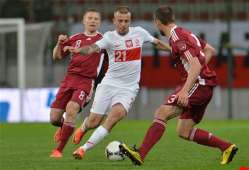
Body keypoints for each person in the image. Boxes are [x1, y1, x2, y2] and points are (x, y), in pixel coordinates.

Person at [120, 5, 238, 166]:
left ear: (157, 22)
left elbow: (195, 65)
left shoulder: (178, 37)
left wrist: (185, 90)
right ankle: (227, 147)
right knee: (184, 131)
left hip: (198, 84)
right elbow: (210, 50)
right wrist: (199, 73)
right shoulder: (185, 33)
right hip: (204, 85)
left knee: (161, 113)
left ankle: (140, 154)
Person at [64, 6, 170, 159]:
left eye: (126, 21)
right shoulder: (109, 37)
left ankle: (83, 149)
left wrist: (173, 50)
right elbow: (93, 48)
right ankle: (84, 127)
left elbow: (156, 43)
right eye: (120, 21)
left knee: (114, 116)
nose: (123, 24)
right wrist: (79, 50)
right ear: (114, 21)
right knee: (94, 121)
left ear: (130, 21)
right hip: (109, 84)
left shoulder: (139, 33)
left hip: (128, 88)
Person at [49, 9, 104, 158]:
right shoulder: (75, 38)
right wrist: (59, 43)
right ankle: (64, 126)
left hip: (86, 81)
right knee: (54, 118)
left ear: (99, 22)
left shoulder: (103, 40)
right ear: (84, 21)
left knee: (71, 108)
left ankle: (58, 150)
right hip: (69, 80)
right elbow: (57, 56)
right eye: (90, 18)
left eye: (96, 19)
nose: (92, 21)